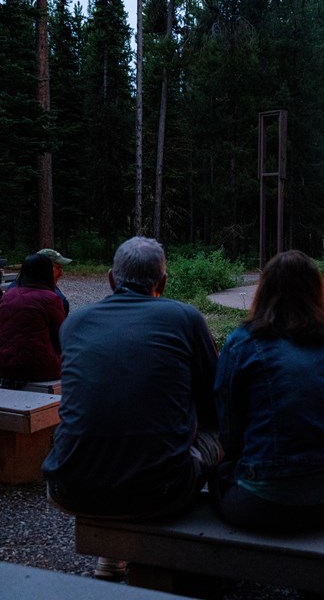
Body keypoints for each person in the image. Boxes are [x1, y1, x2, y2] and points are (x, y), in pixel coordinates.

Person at [42, 237, 222, 578]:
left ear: (111, 279)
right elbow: (216, 393)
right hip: (162, 492)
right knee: (216, 430)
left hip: (68, 486)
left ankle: (113, 554)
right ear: (163, 283)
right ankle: (208, 554)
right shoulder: (184, 317)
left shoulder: (76, 322)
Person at [210, 249, 324, 532]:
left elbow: (228, 427)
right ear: (318, 291)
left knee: (212, 480)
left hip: (266, 499)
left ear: (264, 291)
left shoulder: (242, 343)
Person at [0, 254, 65, 388]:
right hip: (38, 369)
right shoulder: (51, 299)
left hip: (4, 366)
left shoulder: (8, 295)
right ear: (47, 273)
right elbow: (61, 339)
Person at [6, 248, 72, 315]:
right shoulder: (56, 300)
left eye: (61, 268)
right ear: (43, 269)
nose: (61, 274)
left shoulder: (15, 286)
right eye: (58, 268)